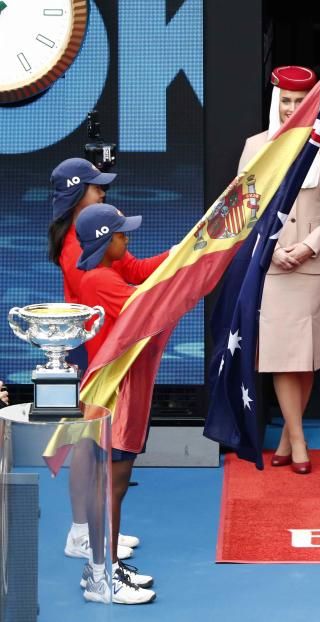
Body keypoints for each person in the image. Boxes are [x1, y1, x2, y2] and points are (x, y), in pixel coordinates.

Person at [48, 158, 165, 565]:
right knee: (86, 445)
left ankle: (94, 529)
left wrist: (187, 254)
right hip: (87, 354)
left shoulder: (98, 240)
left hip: (98, 352)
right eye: (96, 187)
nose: (103, 192)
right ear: (79, 194)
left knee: (94, 447)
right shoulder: (75, 250)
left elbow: (133, 269)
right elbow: (114, 304)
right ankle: (81, 533)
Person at [237, 65, 320, 475]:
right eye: (286, 101)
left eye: (301, 102)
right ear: (275, 102)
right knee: (283, 356)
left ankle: (286, 435)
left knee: (307, 358)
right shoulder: (256, 147)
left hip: (314, 265)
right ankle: (298, 440)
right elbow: (245, 209)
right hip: (273, 266)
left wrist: (309, 245)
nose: (292, 109)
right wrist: (275, 248)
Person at [75, 203, 157, 604]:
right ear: (107, 241)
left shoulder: (111, 271)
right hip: (114, 395)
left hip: (123, 391)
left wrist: (188, 254)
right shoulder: (100, 279)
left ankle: (104, 565)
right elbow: (146, 309)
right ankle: (100, 575)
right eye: (122, 233)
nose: (128, 238)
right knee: (112, 484)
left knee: (115, 485)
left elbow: (143, 278)